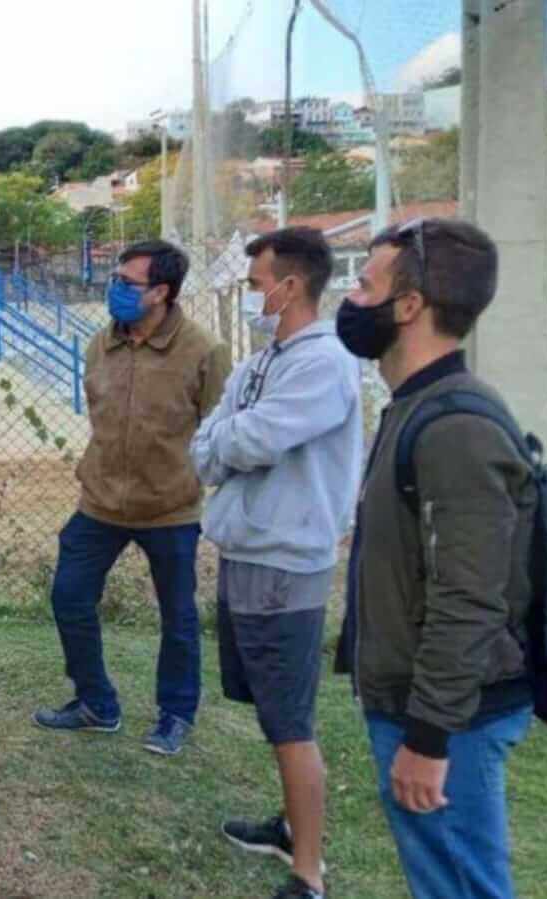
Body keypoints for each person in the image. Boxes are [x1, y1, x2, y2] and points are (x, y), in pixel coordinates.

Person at [334, 218, 535, 899]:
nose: (352, 299)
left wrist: (428, 738)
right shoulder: (417, 406)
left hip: (452, 718)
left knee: (460, 884)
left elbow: (470, 597)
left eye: (364, 285)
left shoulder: (455, 425)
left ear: (410, 305)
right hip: (425, 705)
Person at [190, 228, 361, 899]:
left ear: (290, 287)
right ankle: (288, 822)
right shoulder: (264, 360)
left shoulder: (325, 362)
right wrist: (225, 441)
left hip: (287, 564)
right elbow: (210, 436)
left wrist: (224, 441)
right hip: (246, 550)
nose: (253, 294)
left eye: (258, 283)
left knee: (290, 719)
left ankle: (308, 871)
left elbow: (255, 436)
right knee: (270, 707)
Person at [31, 240, 230, 756]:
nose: (113, 288)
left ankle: (176, 714)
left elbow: (220, 432)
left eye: (127, 282)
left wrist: (188, 481)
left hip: (170, 510)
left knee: (179, 619)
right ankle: (96, 702)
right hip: (99, 504)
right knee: (69, 597)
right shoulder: (102, 343)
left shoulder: (204, 351)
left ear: (162, 292)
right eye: (114, 278)